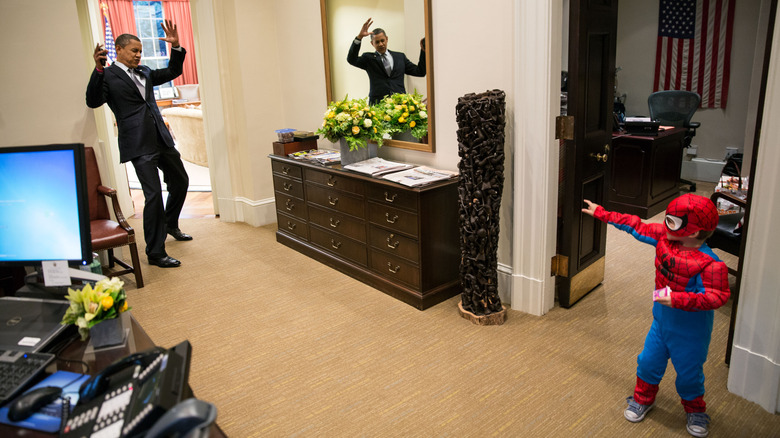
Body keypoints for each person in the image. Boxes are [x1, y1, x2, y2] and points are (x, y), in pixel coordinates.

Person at [582, 194, 730, 438]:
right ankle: (643, 398)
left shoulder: (711, 264)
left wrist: (677, 299)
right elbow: (636, 225)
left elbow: (717, 296)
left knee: (689, 375)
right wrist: (602, 213)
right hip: (661, 323)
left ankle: (695, 410)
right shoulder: (665, 238)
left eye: (672, 222)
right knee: (648, 363)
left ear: (693, 232)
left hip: (691, 333)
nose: (665, 224)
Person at [86, 20, 192, 269]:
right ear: (119, 49)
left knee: (180, 180)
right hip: (138, 143)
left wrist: (176, 47)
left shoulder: (144, 71)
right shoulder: (108, 76)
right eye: (134, 50)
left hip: (160, 138)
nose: (138, 55)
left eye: (140, 51)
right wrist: (98, 70)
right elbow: (92, 101)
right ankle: (156, 252)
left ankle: (170, 223)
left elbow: (172, 72)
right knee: (153, 195)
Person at [347, 18, 426, 105]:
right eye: (377, 42)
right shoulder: (368, 58)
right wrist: (359, 37)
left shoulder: (400, 57)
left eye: (382, 40)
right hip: (378, 105)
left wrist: (424, 51)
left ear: (386, 39)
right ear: (372, 43)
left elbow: (420, 72)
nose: (381, 44)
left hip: (400, 105)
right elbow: (351, 59)